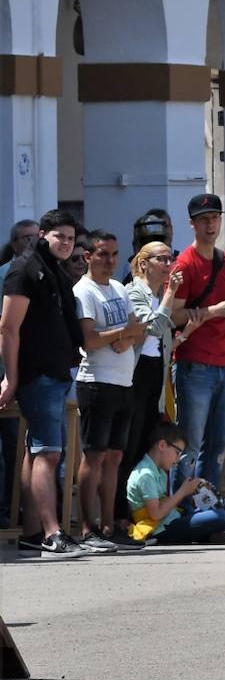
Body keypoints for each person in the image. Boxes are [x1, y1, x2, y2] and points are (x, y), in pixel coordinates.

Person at [0, 209, 88, 557]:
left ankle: (33, 532)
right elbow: (8, 328)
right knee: (48, 454)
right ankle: (53, 534)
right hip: (37, 376)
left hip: (55, 374)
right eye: (59, 237)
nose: (66, 243)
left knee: (36, 453)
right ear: (42, 236)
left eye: (70, 238)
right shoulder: (24, 270)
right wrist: (11, 376)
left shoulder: (52, 269)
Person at [72, 229, 148, 552]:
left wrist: (123, 337)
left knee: (115, 456)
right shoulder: (83, 291)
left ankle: (108, 524)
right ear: (88, 256)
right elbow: (89, 339)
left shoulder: (118, 287)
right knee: (94, 455)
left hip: (123, 381)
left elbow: (138, 330)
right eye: (102, 254)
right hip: (96, 382)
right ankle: (87, 528)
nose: (110, 261)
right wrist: (122, 334)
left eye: (114, 254)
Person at [170, 193, 225, 491]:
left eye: (215, 218)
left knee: (218, 445)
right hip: (193, 363)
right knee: (190, 444)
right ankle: (181, 507)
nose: (211, 224)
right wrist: (216, 311)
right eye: (204, 219)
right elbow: (173, 317)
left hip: (223, 363)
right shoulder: (184, 264)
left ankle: (207, 503)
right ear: (192, 224)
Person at [121, 241, 204, 522]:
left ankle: (146, 514)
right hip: (135, 376)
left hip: (155, 374)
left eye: (172, 258)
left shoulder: (158, 295)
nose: (170, 265)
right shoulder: (134, 292)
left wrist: (187, 332)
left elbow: (163, 344)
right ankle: (122, 516)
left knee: (147, 439)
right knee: (130, 444)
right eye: (163, 259)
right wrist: (171, 292)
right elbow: (154, 327)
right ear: (144, 264)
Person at [126, 420, 225, 544]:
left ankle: (212, 533)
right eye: (177, 453)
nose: (177, 459)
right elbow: (155, 514)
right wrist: (183, 491)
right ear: (162, 445)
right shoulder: (146, 475)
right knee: (220, 517)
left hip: (172, 519)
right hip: (160, 530)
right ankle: (213, 534)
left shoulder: (158, 470)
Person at [0, 218, 39, 526]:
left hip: (30, 372)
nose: (32, 242)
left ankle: (17, 514)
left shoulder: (43, 274)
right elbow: (8, 328)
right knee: (14, 447)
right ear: (14, 244)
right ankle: (9, 514)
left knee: (22, 448)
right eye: (26, 238)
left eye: (36, 237)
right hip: (10, 373)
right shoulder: (9, 275)